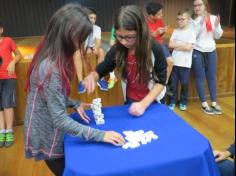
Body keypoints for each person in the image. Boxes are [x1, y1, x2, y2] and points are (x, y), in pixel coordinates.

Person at [23, 4, 125, 176]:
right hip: (47, 135)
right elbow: (60, 120)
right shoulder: (51, 68)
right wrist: (101, 135)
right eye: (80, 39)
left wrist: (74, 102)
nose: (81, 45)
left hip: (49, 129)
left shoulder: (52, 56)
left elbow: (51, 94)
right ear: (68, 35)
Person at [83, 5, 167, 116]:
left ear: (141, 31)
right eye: (119, 36)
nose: (124, 42)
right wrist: (93, 76)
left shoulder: (155, 49)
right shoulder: (118, 49)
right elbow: (105, 66)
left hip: (153, 100)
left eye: (129, 37)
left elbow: (161, 82)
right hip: (131, 98)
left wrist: (143, 104)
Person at [191, 0, 223, 115]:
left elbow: (217, 36)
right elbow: (193, 37)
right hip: (198, 51)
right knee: (200, 77)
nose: (197, 7)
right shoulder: (193, 21)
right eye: (195, 5)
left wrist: (216, 27)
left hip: (211, 51)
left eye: (200, 5)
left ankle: (214, 103)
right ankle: (204, 104)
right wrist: (200, 24)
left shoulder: (213, 18)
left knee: (211, 77)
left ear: (205, 6)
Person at [0, 20, 22, 147]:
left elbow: (19, 55)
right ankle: (1, 131)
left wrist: (13, 62)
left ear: (1, 30)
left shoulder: (8, 40)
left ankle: (9, 131)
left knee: (7, 104)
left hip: (8, 77)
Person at [168, 9, 196, 111]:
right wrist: (183, 44)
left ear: (188, 19)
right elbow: (170, 45)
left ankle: (183, 102)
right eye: (178, 19)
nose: (179, 21)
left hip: (185, 64)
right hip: (174, 62)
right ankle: (172, 101)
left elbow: (188, 48)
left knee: (184, 84)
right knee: (173, 84)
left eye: (182, 19)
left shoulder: (191, 32)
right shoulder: (175, 31)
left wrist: (177, 45)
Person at [76, 7, 108, 93]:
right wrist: (87, 49)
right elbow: (79, 44)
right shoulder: (80, 28)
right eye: (91, 18)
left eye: (95, 18)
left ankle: (100, 78)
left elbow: (98, 42)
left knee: (101, 51)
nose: (93, 20)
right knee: (77, 53)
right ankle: (80, 82)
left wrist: (95, 48)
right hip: (81, 48)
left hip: (92, 48)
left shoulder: (97, 28)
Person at [145, 1, 174, 87]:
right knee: (152, 69)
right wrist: (155, 33)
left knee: (171, 62)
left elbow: (159, 35)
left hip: (160, 45)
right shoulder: (144, 23)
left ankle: (164, 83)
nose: (161, 16)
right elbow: (145, 39)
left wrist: (162, 32)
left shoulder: (159, 20)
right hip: (149, 46)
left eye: (161, 13)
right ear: (151, 15)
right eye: (159, 14)